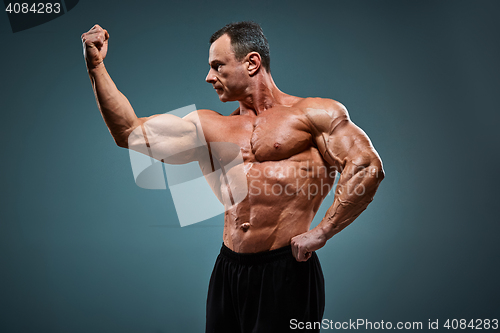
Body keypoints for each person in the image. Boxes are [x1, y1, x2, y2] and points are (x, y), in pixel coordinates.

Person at [81, 21, 384, 333]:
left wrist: (322, 232)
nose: (209, 77)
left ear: (251, 63)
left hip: (286, 271)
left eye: (217, 66)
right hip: (229, 269)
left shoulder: (313, 115)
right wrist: (95, 65)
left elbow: (366, 167)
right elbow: (129, 133)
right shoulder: (209, 126)